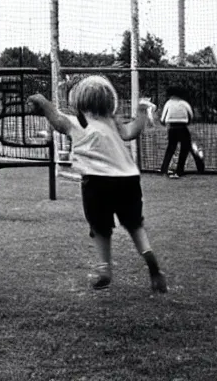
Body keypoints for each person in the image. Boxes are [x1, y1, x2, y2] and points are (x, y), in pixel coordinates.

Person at [28, 75, 167, 293]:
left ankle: (105, 268)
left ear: (79, 101)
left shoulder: (77, 122)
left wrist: (43, 102)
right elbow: (133, 132)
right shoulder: (113, 123)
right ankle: (151, 261)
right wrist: (141, 111)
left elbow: (56, 119)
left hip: (96, 182)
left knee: (100, 227)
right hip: (128, 180)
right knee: (134, 224)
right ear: (109, 100)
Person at [159, 87, 196, 178]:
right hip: (183, 127)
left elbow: (162, 118)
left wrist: (165, 123)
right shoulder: (184, 103)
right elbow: (191, 115)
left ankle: (164, 169)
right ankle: (180, 170)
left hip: (172, 127)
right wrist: (187, 122)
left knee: (170, 148)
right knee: (184, 149)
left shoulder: (168, 103)